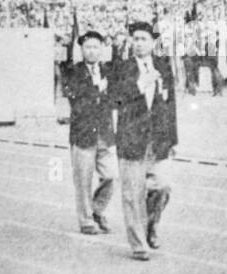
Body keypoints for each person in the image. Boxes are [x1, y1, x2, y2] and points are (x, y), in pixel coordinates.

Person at [112, 21, 177, 261]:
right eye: (135, 39)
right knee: (132, 195)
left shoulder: (163, 67)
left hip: (158, 140)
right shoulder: (122, 67)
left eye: (143, 39)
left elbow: (170, 105)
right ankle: (138, 244)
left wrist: (173, 139)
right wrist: (141, 83)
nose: (139, 43)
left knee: (163, 186)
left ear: (152, 43)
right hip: (131, 139)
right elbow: (115, 98)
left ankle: (151, 224)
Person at [62, 30, 117, 235]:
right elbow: (76, 99)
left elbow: (116, 99)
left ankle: (97, 210)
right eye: (88, 47)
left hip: (105, 133)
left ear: (102, 49)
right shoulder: (72, 71)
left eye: (95, 47)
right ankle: (86, 221)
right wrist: (98, 89)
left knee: (111, 175)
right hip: (83, 134)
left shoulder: (109, 71)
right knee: (83, 181)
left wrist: (105, 91)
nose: (92, 51)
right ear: (82, 50)